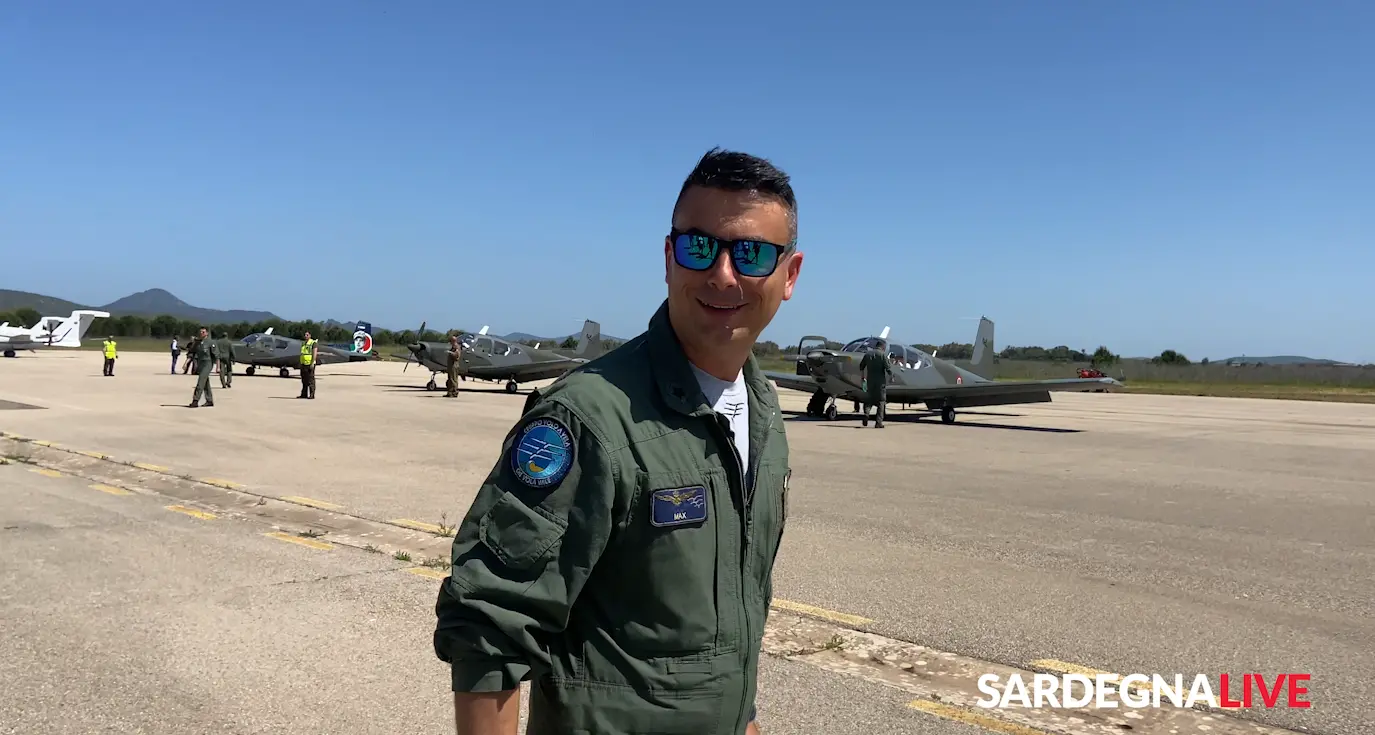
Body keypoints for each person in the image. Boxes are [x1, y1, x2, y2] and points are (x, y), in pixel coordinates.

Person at [432, 148, 803, 735]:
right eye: (699, 246)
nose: (723, 274)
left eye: (752, 253)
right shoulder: (589, 417)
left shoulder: (762, 413)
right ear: (667, 257)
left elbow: (724, 617)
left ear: (790, 275)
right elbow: (489, 623)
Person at [859, 339, 893, 428]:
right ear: (882, 347)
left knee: (869, 400)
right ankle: (878, 422)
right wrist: (892, 377)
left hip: (870, 381)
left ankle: (866, 414)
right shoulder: (882, 355)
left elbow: (861, 367)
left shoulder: (868, 354)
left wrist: (863, 378)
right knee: (881, 401)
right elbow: (888, 368)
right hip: (880, 382)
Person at [187, 327, 218, 408]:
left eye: (203, 332)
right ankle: (209, 400)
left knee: (201, 381)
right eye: (200, 332)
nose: (201, 333)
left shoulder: (211, 342)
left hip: (208, 363)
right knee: (205, 382)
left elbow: (216, 355)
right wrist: (186, 363)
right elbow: (191, 352)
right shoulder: (197, 342)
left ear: (207, 333)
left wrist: (218, 367)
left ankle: (195, 400)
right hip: (200, 363)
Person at [298, 330, 318, 399]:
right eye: (305, 335)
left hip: (309, 363)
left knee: (310, 380)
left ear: (310, 336)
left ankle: (312, 394)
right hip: (303, 363)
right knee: (304, 380)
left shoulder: (313, 343)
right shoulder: (303, 343)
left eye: (307, 335)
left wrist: (312, 362)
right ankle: (304, 394)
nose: (305, 336)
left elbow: (314, 353)